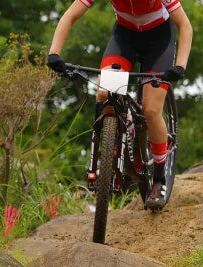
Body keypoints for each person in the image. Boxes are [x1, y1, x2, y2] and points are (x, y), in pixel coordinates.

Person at [47, 0, 192, 209]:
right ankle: (113, 139)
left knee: (151, 110)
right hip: (124, 40)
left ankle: (159, 177)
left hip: (159, 43)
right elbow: (70, 15)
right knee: (104, 92)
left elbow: (185, 26)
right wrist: (54, 53)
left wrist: (180, 65)